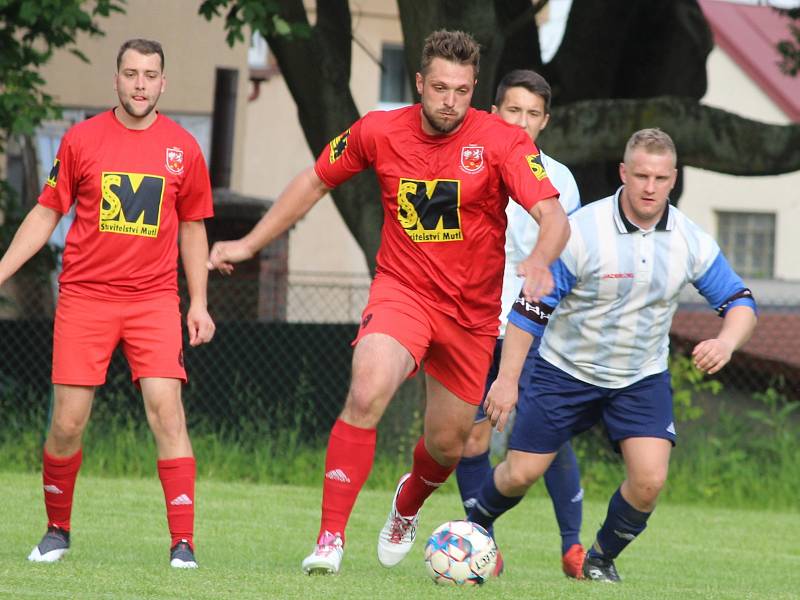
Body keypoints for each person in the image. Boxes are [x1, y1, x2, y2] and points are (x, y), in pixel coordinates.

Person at [206, 30, 570, 575]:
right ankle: (330, 539)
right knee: (367, 386)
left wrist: (541, 259)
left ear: (474, 90)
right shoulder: (378, 131)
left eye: (463, 91)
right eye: (440, 88)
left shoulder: (502, 141)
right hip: (402, 291)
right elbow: (314, 181)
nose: (450, 101)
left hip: (471, 317)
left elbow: (553, 216)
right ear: (419, 83)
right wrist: (249, 243)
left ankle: (407, 505)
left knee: (448, 446)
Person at [465, 128, 758, 582]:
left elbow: (740, 301)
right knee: (520, 473)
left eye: (660, 178)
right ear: (623, 172)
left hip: (639, 377)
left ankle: (599, 558)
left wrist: (726, 341)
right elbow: (527, 310)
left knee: (649, 481)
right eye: (640, 175)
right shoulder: (581, 231)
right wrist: (506, 381)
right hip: (564, 370)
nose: (649, 187)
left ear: (673, 179)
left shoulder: (689, 239)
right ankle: (476, 525)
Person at [0, 39, 215, 568]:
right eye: (130, 73)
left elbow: (192, 228)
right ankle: (57, 530)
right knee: (68, 424)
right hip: (85, 298)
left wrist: (200, 302)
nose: (140, 84)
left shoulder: (183, 148)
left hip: (154, 300)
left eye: (150, 75)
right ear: (115, 79)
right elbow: (47, 213)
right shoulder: (81, 140)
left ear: (163, 83)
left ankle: (182, 543)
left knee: (168, 413)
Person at [453, 69, 586, 578]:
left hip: (535, 330)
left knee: (547, 437)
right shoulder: (467, 164)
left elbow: (566, 263)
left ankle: (573, 548)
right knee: (470, 439)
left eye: (533, 114)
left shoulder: (560, 182)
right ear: (492, 112)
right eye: (514, 110)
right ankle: (480, 543)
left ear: (545, 121)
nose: (523, 123)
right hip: (473, 323)